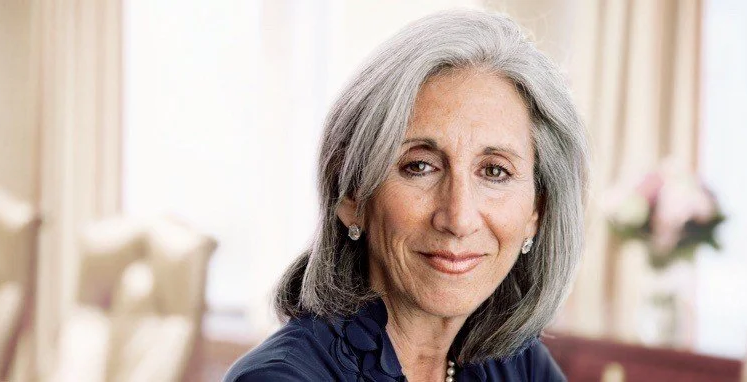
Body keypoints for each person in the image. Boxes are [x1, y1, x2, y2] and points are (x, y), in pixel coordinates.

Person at [225, 9, 588, 382]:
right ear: (351, 195)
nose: (458, 218)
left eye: (495, 171)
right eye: (420, 166)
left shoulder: (518, 365)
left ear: (536, 212)